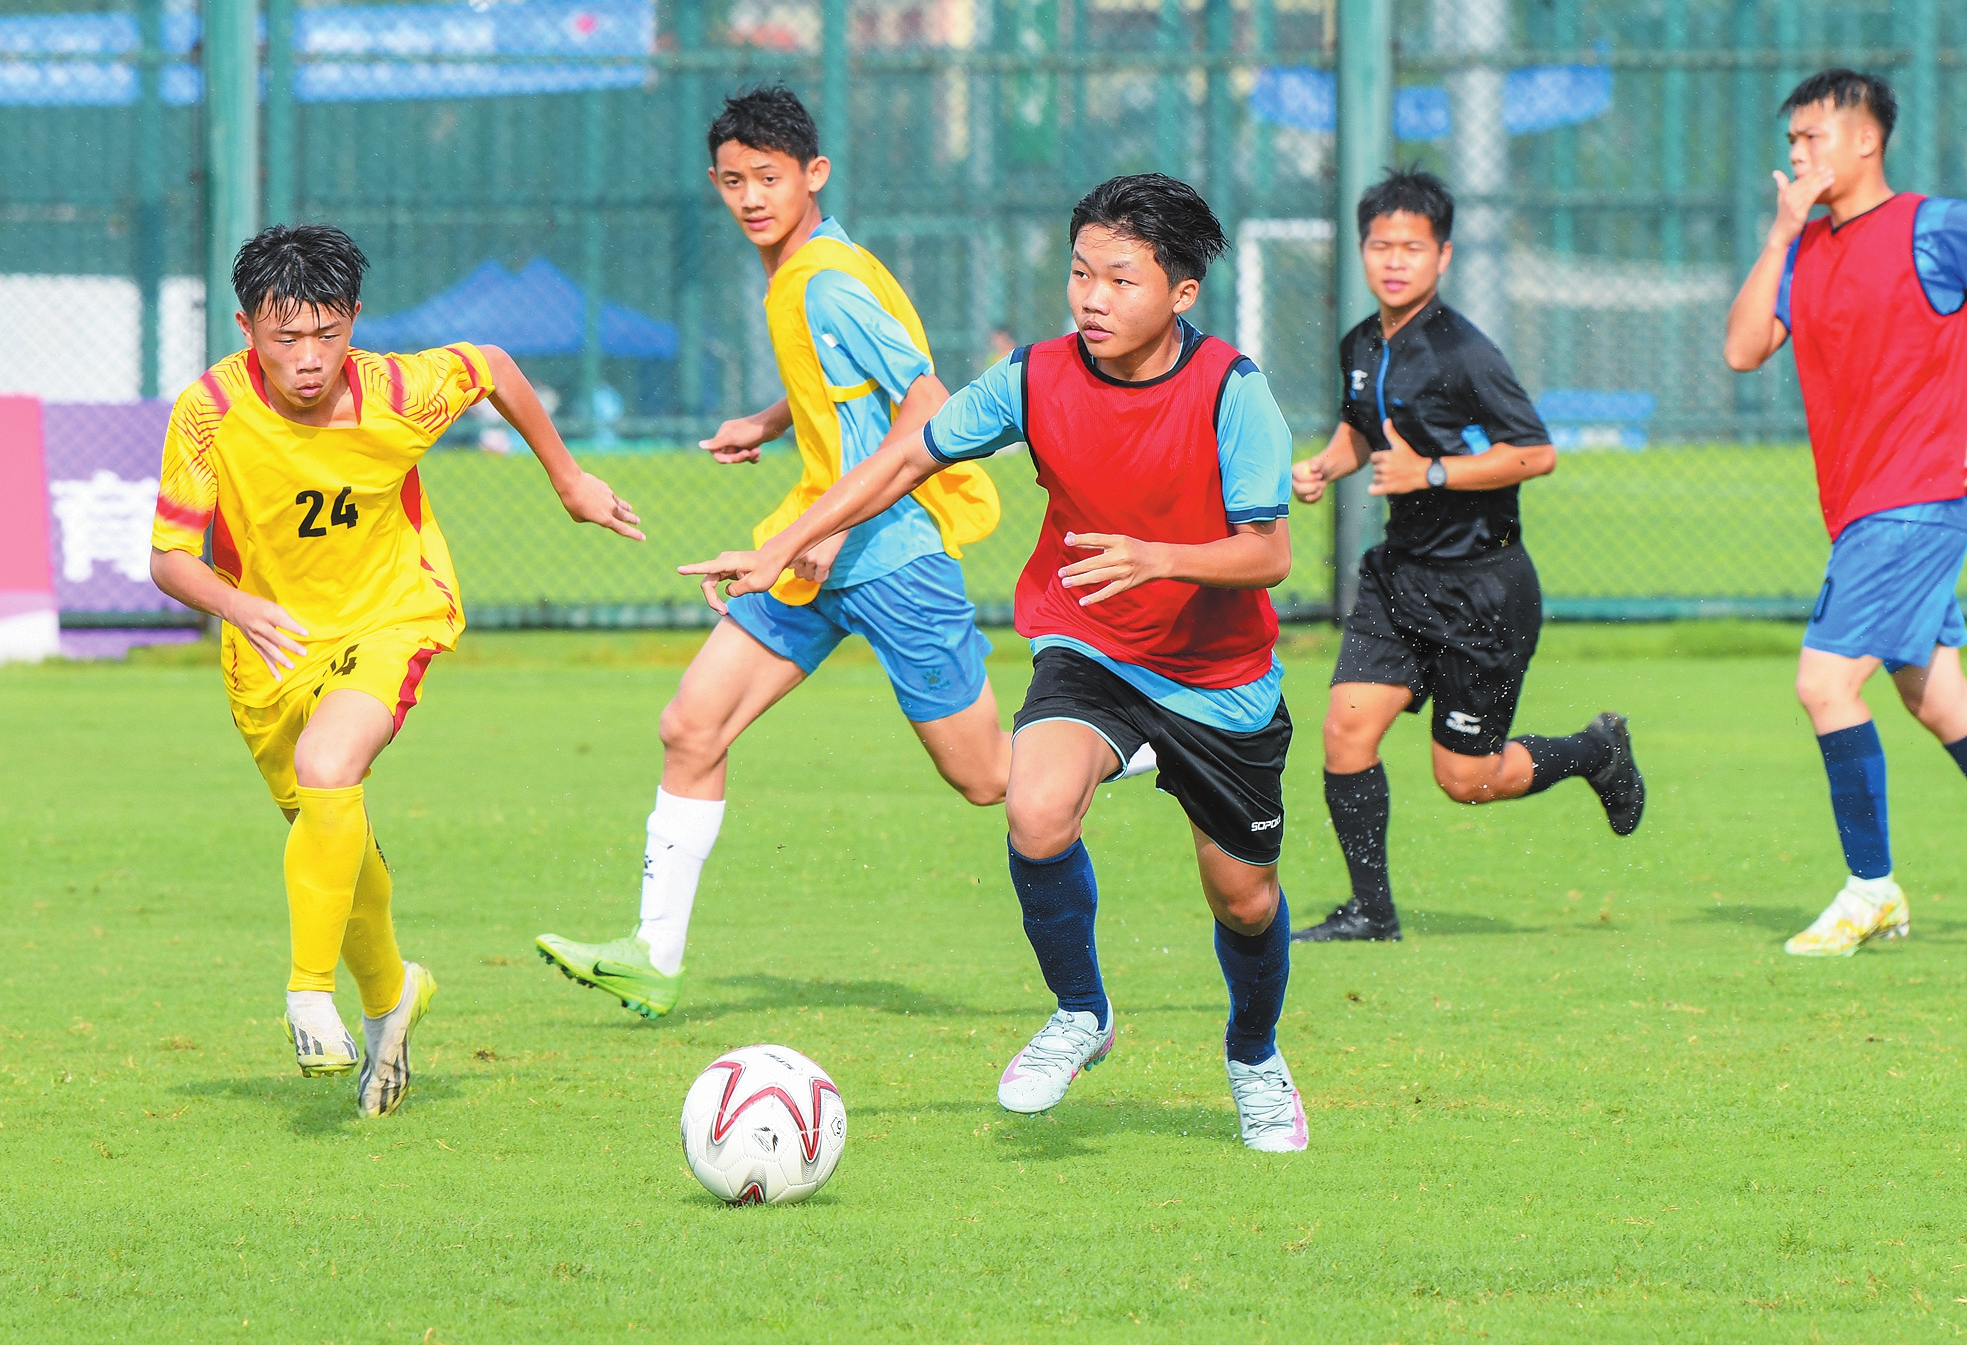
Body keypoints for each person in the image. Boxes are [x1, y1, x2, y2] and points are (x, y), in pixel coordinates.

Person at [687, 174, 1310, 1152]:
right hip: (1087, 643)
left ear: (1181, 293)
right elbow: (906, 456)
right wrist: (781, 546)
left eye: (1120, 279)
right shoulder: (1034, 377)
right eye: (1080, 273)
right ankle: (1081, 1011)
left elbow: (1267, 554)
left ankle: (1254, 1056)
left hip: (1217, 673)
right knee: (1034, 806)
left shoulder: (1234, 392)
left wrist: (1158, 559)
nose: (1092, 298)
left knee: (1244, 896)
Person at [534, 86, 1010, 1018]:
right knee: (692, 725)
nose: (750, 197)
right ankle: (652, 957)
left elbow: (928, 406)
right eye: (733, 181)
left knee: (988, 777)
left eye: (769, 177)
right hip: (817, 549)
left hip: (890, 555)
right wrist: (769, 419)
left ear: (813, 174)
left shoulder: (826, 280)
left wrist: (823, 531)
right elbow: (846, 385)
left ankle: (1164, 740)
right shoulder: (802, 273)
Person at [148, 224, 641, 1116]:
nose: (309, 358)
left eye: (328, 333)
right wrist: (239, 604)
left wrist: (568, 477)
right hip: (269, 650)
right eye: (285, 337)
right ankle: (390, 998)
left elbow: (492, 365)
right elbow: (170, 558)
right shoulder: (209, 409)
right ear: (245, 327)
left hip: (390, 614)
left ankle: (308, 995)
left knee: (328, 766)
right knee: (331, 830)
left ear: (355, 320)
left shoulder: (398, 391)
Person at [1725, 69, 1967, 957]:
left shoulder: (1935, 225)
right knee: (1937, 697)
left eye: (1813, 136)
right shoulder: (1804, 247)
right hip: (1863, 509)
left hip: (1916, 501)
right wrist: (1780, 234)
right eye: (1791, 141)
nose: (1797, 154)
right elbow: (1743, 349)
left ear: (1866, 139)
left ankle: (1871, 888)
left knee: (1825, 684)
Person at [1288, 169, 1645, 944]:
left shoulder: (1464, 352)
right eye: (1381, 245)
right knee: (1345, 730)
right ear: (1362, 249)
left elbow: (1537, 452)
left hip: (1483, 589)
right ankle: (1371, 913)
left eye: (1412, 247)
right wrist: (1324, 465)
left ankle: (1596, 751)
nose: (1394, 261)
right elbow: (1362, 429)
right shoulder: (1361, 343)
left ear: (1443, 255)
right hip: (1399, 577)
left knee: (1466, 778)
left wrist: (1432, 473)